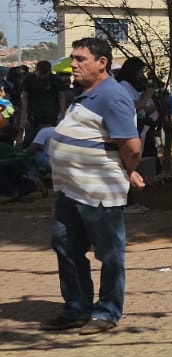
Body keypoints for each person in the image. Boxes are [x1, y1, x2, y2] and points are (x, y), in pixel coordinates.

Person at [40, 38, 144, 335]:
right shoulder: (86, 93)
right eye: (73, 58)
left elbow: (132, 146)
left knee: (109, 255)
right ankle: (76, 309)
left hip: (99, 191)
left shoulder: (112, 96)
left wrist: (129, 169)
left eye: (80, 58)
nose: (73, 64)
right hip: (71, 190)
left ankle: (107, 312)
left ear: (102, 62)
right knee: (66, 247)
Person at [20, 59, 65, 148]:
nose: (43, 76)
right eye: (41, 73)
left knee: (51, 139)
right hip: (33, 113)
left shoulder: (55, 79)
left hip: (51, 113)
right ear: (37, 70)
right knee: (30, 138)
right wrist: (24, 117)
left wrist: (62, 114)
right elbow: (24, 97)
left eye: (45, 73)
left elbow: (61, 96)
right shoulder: (29, 79)